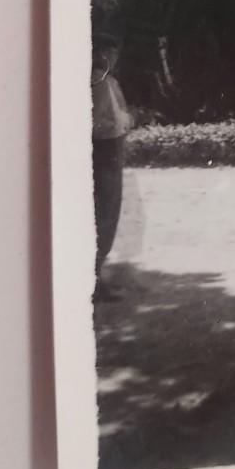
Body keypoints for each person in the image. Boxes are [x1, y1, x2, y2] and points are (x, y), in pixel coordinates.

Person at [91, 33, 132, 298]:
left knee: (111, 213)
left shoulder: (111, 82)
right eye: (109, 53)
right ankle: (93, 278)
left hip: (114, 149)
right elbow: (95, 122)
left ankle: (98, 274)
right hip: (102, 150)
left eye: (115, 54)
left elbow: (122, 115)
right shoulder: (95, 81)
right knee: (102, 213)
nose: (112, 59)